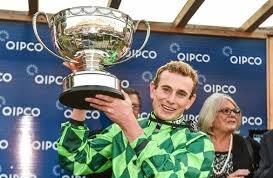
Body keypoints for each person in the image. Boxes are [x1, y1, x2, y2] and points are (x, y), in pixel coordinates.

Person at [57, 60, 215, 178]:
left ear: (190, 101)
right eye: (166, 89)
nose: (171, 99)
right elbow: (75, 161)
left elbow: (169, 175)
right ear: (153, 90)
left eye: (181, 94)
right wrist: (81, 97)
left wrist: (128, 123)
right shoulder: (120, 129)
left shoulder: (199, 142)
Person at [198, 93, 256, 178]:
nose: (233, 115)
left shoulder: (248, 144)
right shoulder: (194, 144)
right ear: (210, 116)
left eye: (235, 111)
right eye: (226, 111)